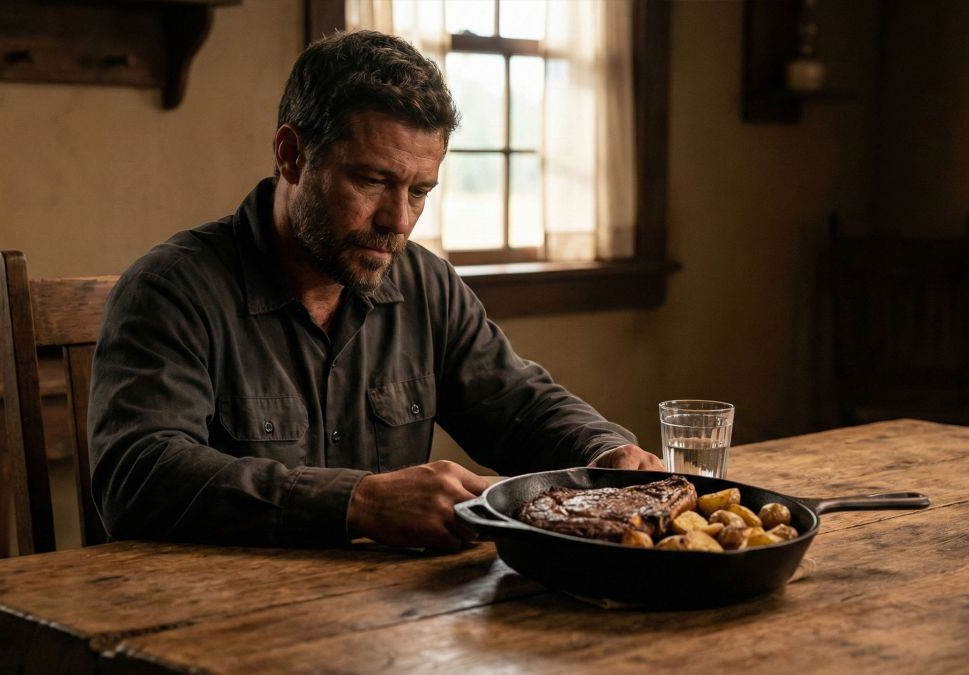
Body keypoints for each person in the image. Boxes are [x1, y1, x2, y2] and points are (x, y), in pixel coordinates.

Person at [88, 30, 663, 552]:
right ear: (292, 155)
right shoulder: (170, 289)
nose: (399, 221)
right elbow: (138, 476)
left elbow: (519, 405)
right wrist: (357, 502)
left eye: (419, 192)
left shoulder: (425, 284)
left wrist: (602, 452)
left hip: (391, 624)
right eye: (372, 180)